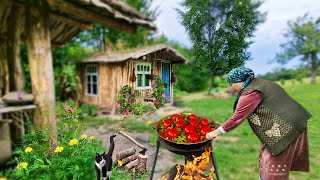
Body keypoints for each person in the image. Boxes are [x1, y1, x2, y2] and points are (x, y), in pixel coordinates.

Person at [206, 67, 311, 180]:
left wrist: (216, 132)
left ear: (240, 81)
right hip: (295, 121)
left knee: (274, 164)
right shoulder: (262, 83)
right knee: (267, 157)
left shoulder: (251, 93)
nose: (231, 86)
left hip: (285, 128)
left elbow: (237, 118)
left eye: (232, 83)